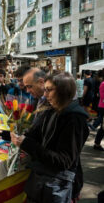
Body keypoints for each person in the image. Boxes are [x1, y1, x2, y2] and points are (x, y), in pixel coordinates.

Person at [11, 72, 89, 203]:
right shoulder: (51, 110)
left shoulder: (74, 119)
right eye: (45, 90)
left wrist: (28, 144)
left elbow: (62, 161)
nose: (45, 95)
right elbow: (34, 135)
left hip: (55, 186)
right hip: (41, 183)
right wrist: (17, 136)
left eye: (49, 90)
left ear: (64, 91)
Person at [93, 70, 104, 151]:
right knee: (103, 127)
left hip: (102, 106)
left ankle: (97, 143)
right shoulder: (103, 84)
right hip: (103, 107)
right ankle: (97, 144)